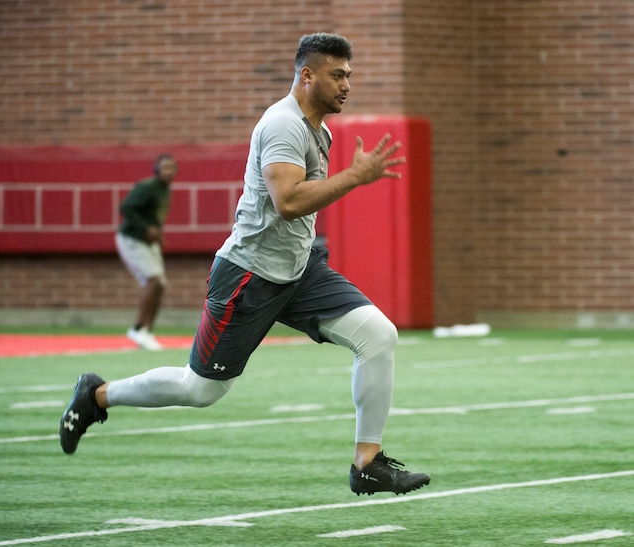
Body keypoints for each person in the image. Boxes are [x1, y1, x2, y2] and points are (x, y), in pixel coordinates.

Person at [60, 33, 430, 496]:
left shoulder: (321, 129)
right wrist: (355, 177)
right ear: (307, 75)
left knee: (379, 336)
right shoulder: (282, 125)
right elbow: (289, 201)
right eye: (337, 75)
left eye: (349, 75)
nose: (346, 85)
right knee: (201, 391)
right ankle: (96, 395)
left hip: (299, 271)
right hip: (249, 277)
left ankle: (367, 463)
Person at [115, 154, 177, 350]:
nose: (169, 171)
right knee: (154, 280)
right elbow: (126, 207)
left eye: (172, 167)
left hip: (149, 242)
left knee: (160, 285)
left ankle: (147, 332)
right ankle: (138, 328)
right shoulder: (147, 187)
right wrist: (145, 228)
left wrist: (158, 234)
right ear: (156, 170)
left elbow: (155, 217)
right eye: (164, 167)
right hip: (132, 239)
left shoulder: (165, 189)